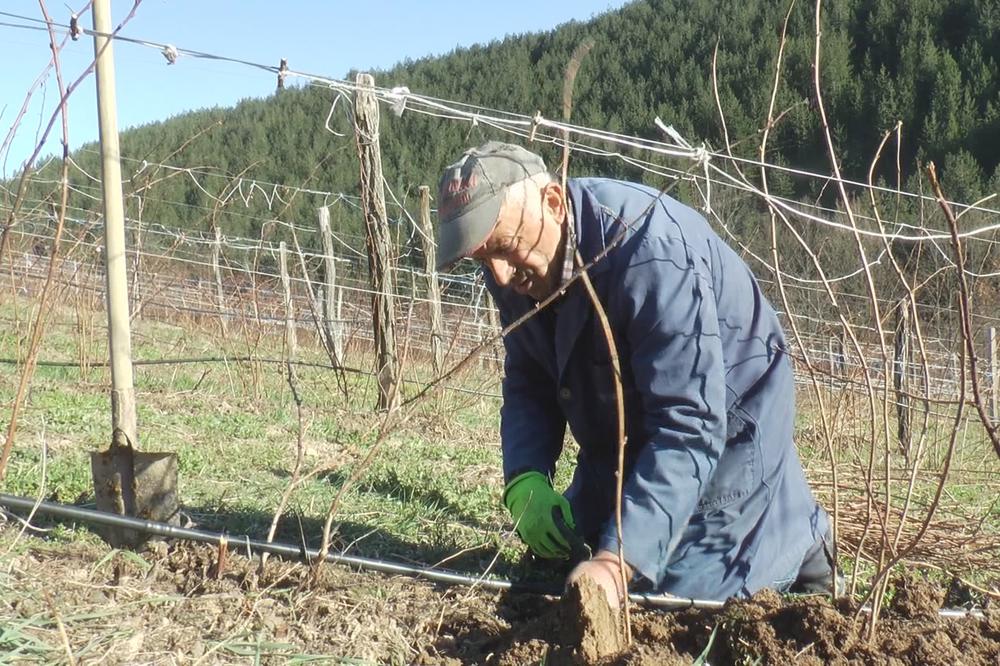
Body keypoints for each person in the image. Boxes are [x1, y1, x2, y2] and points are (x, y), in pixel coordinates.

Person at [435, 141, 835, 606]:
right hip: (624, 437)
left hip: (726, 429)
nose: (500, 277)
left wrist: (615, 562)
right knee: (558, 578)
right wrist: (525, 476)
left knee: (669, 607)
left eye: (503, 248)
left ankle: (801, 551)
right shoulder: (515, 265)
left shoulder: (649, 252)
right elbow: (529, 375)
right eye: (483, 259)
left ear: (553, 203)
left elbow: (690, 424)